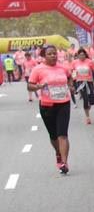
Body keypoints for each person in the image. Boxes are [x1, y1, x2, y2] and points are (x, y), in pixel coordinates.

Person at [26, 46, 74, 175]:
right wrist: (38, 86)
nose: (53, 56)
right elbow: (29, 86)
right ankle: (58, 152)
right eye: (50, 54)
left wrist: (70, 86)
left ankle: (64, 163)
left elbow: (70, 77)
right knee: (53, 135)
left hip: (64, 103)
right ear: (44, 56)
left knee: (62, 134)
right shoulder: (38, 69)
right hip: (47, 105)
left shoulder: (63, 67)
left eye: (54, 53)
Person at [70, 48, 94, 125]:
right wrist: (73, 82)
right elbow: (73, 72)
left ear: (85, 55)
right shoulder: (75, 62)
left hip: (89, 81)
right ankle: (87, 117)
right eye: (80, 55)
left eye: (83, 55)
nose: (82, 56)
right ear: (78, 55)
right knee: (85, 98)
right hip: (80, 82)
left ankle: (89, 106)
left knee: (92, 100)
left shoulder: (89, 62)